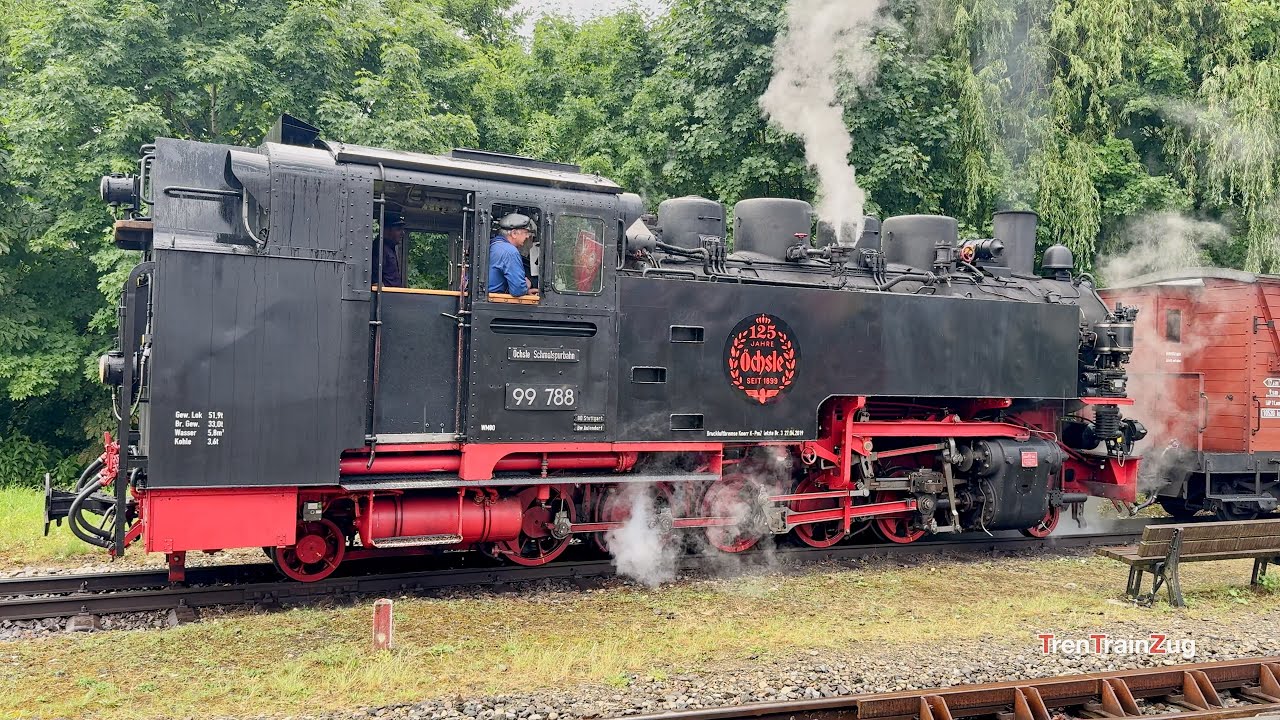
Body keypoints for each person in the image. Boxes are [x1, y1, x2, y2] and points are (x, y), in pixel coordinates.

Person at [488, 213, 536, 297]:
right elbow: (518, 290)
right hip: (495, 304)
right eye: (525, 232)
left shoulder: (494, 244)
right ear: (514, 233)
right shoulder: (510, 252)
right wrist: (526, 285)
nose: (527, 236)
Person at [375, 211, 407, 287]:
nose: (403, 233)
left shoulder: (390, 247)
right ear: (386, 230)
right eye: (398, 229)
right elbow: (375, 281)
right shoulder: (379, 248)